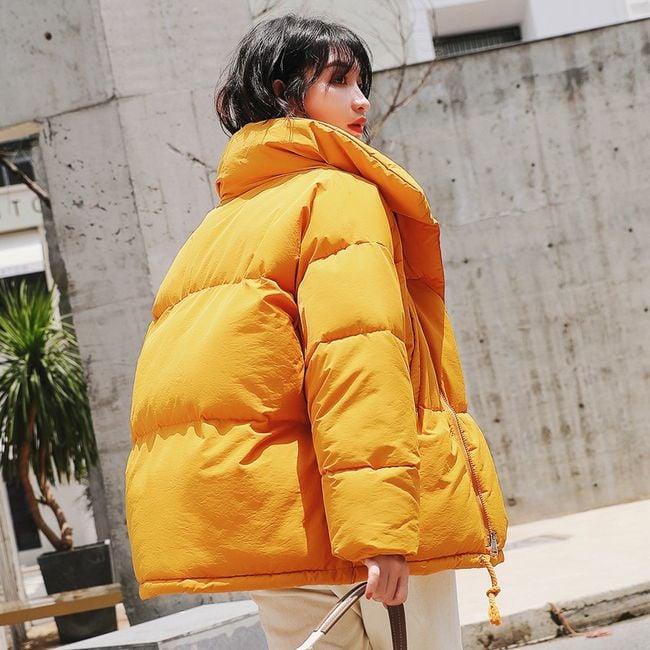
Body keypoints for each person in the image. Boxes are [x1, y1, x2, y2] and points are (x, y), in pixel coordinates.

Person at [124, 12, 509, 650]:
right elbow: (357, 366)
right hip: (367, 528)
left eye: (362, 83)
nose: (362, 102)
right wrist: (382, 529)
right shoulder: (336, 195)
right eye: (338, 81)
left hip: (278, 522)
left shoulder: (223, 224)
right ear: (284, 92)